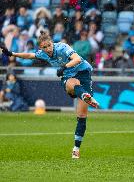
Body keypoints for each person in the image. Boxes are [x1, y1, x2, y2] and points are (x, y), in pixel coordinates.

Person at [0, 31, 99, 159]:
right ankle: (85, 95)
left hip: (83, 73)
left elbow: (77, 59)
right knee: (71, 85)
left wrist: (64, 67)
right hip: (69, 76)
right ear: (41, 48)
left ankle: (76, 149)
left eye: (48, 46)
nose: (47, 49)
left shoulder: (62, 47)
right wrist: (12, 53)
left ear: (52, 43)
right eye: (44, 47)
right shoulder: (43, 54)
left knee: (81, 115)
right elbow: (30, 55)